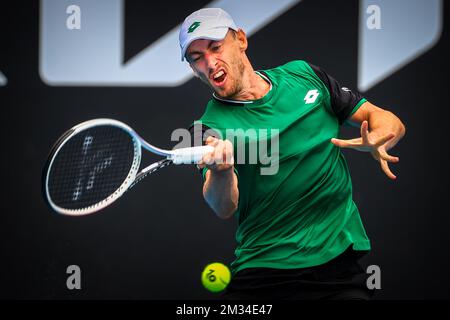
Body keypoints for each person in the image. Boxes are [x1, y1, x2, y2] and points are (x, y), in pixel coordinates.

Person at [179, 8, 405, 300]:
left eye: (215, 47)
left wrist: (379, 138)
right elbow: (223, 206)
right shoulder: (207, 128)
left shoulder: (304, 76)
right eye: (196, 58)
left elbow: (384, 118)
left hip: (338, 267)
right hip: (264, 274)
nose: (209, 63)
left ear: (242, 40)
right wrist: (221, 171)